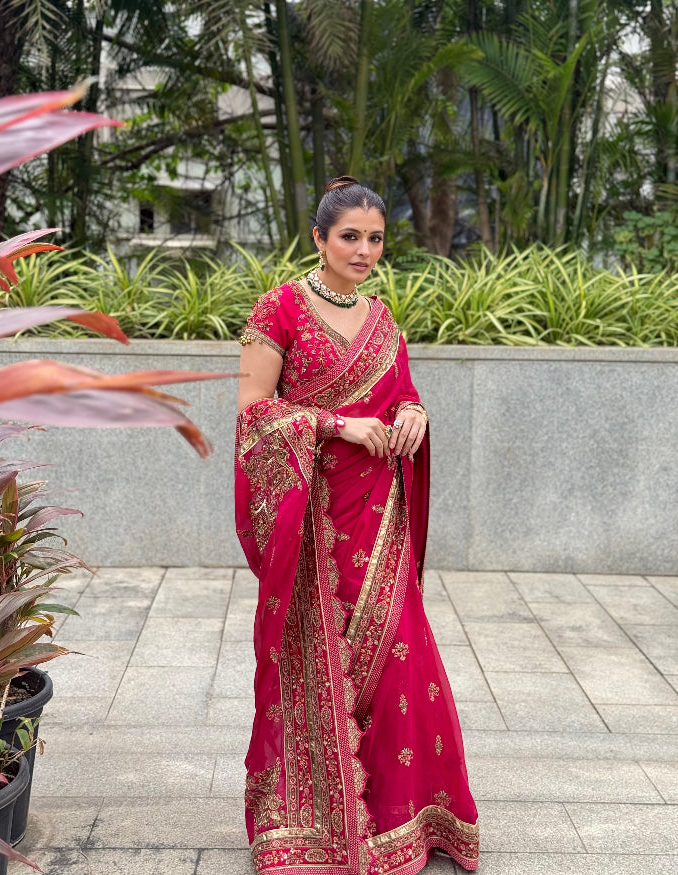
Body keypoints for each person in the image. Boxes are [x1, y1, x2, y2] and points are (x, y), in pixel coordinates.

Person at [235, 176, 479, 875]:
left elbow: (403, 396)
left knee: (403, 658)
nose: (364, 249)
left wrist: (412, 416)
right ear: (319, 238)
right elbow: (254, 411)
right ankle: (307, 825)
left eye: (375, 237)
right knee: (313, 659)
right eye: (350, 236)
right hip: (312, 523)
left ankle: (406, 820)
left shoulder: (381, 318)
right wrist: (338, 424)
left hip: (381, 520)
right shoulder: (279, 307)